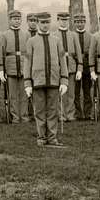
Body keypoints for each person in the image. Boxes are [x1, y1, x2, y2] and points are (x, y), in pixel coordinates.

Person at [23, 12, 69, 146]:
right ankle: (41, 137)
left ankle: (52, 137)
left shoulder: (57, 40)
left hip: (54, 81)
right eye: (42, 22)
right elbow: (27, 62)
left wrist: (64, 80)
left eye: (47, 22)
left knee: (53, 110)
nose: (45, 25)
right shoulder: (31, 41)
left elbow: (62, 61)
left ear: (51, 23)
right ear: (37, 23)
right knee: (39, 111)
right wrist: (27, 83)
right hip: (37, 81)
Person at [0, 10, 30, 123]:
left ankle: (24, 117)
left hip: (23, 68)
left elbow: (29, 54)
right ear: (10, 20)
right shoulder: (4, 35)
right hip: (10, 68)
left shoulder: (26, 35)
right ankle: (15, 117)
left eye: (18, 19)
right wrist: (1, 70)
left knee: (24, 95)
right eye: (14, 19)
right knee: (12, 95)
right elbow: (1, 54)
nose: (16, 21)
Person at [55, 12, 82, 123]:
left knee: (71, 93)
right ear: (58, 20)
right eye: (62, 20)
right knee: (60, 93)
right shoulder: (53, 35)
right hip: (59, 68)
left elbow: (78, 53)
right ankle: (61, 114)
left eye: (66, 20)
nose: (64, 22)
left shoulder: (73, 35)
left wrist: (79, 68)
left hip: (71, 67)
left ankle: (70, 114)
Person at [72, 13, 93, 120]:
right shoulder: (71, 35)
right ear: (74, 23)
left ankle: (88, 113)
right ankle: (77, 113)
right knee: (75, 92)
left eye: (82, 22)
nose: (80, 24)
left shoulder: (90, 36)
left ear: (85, 23)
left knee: (87, 91)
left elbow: (92, 52)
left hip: (87, 67)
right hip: (74, 66)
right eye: (78, 22)